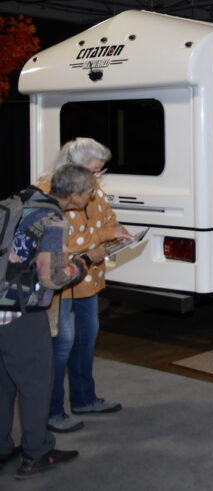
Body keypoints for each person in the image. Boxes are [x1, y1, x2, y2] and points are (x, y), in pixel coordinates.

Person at [1, 164, 100, 479]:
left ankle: (2, 447)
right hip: (20, 310)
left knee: (3, 383)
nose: (91, 196)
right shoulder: (54, 221)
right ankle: (37, 452)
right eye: (89, 192)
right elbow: (54, 276)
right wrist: (85, 261)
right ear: (74, 195)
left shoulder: (21, 199)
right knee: (35, 383)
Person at [36, 139, 133, 434]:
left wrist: (117, 233)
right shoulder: (48, 190)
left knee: (85, 340)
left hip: (88, 279)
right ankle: (52, 412)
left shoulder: (92, 187)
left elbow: (107, 218)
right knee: (61, 346)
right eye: (95, 169)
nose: (99, 176)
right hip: (61, 283)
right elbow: (67, 243)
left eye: (101, 170)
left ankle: (84, 399)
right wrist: (106, 233)